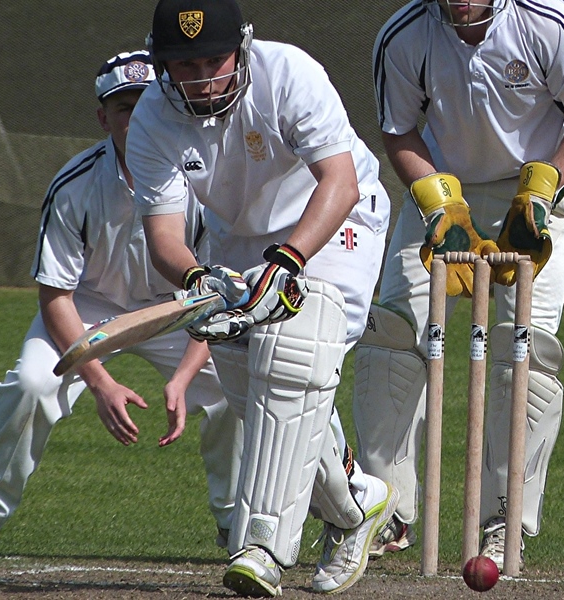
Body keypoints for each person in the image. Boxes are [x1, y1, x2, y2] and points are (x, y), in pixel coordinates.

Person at [124, 0, 397, 595]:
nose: (199, 79)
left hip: (333, 221)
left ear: (241, 48)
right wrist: (198, 279)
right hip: (236, 240)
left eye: (211, 61)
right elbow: (165, 238)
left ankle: (264, 549)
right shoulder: (151, 118)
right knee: (257, 395)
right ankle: (358, 505)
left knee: (293, 354)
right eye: (182, 65)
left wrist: (288, 261)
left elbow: (340, 180)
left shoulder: (288, 74)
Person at [0, 50, 242, 548]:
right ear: (104, 118)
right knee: (33, 383)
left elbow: (221, 295)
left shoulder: (204, 180)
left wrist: (184, 379)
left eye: (146, 104)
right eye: (124, 108)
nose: (137, 117)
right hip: (90, 309)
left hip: (180, 309)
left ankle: (236, 522)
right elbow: (56, 295)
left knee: (233, 389)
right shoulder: (74, 185)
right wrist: (99, 382)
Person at [357, 0, 564, 572]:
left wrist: (544, 190)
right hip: (445, 193)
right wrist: (437, 202)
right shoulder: (405, 35)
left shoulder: (549, 23)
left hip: (541, 194)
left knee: (524, 349)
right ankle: (381, 508)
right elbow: (398, 129)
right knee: (392, 337)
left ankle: (503, 520)